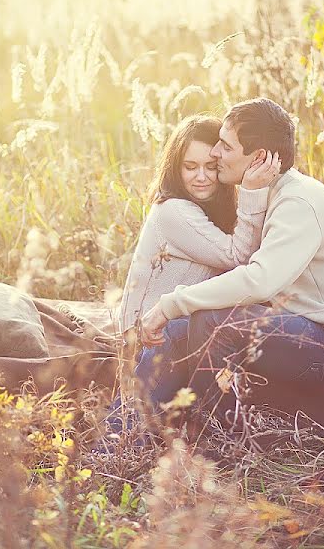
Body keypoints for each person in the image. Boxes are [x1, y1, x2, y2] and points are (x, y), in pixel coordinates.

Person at [138, 97, 324, 427]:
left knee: (215, 321)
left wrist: (173, 302)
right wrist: (172, 313)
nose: (215, 153)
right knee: (183, 328)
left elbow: (258, 280)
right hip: (303, 332)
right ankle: (128, 430)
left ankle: (209, 436)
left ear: (257, 158)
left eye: (225, 146)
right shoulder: (271, 194)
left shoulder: (298, 202)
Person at [106, 114, 280, 433]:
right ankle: (117, 442)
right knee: (129, 438)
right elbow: (239, 257)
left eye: (211, 166)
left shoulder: (214, 210)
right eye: (190, 167)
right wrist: (254, 192)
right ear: (176, 167)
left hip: (187, 332)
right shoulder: (174, 211)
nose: (202, 177)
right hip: (153, 340)